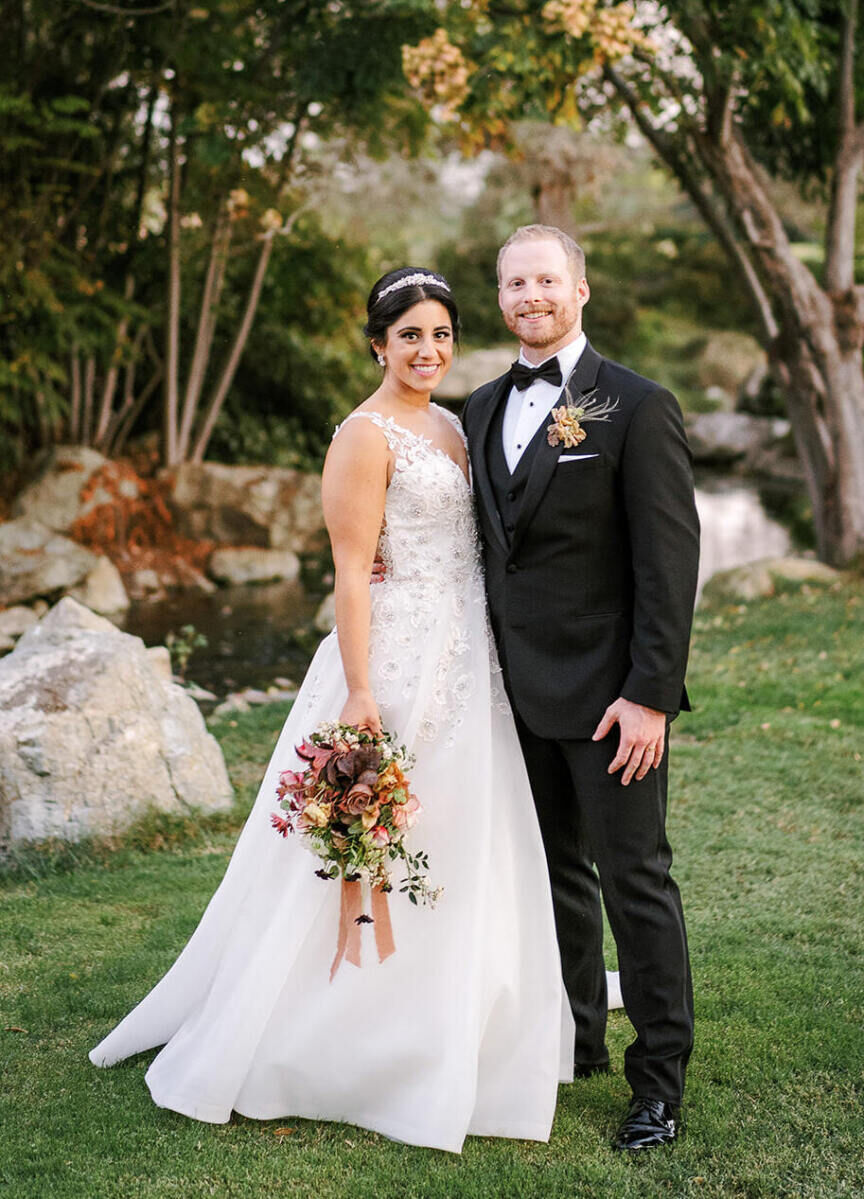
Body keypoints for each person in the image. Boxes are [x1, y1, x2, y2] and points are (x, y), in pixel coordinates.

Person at [89, 268, 572, 1154]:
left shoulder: (458, 426)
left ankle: (459, 1013)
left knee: (464, 829)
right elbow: (353, 569)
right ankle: (335, 1028)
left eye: (442, 335)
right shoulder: (363, 434)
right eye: (410, 336)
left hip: (471, 656)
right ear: (377, 344)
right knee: (371, 840)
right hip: (392, 659)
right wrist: (359, 689)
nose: (428, 351)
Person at [462, 225, 700, 1152]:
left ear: (580, 289)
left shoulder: (637, 407)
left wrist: (650, 693)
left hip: (610, 701)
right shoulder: (481, 405)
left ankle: (660, 1082)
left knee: (636, 880)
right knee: (554, 875)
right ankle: (577, 1040)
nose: (530, 295)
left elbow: (668, 564)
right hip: (511, 697)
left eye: (546, 280)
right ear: (501, 297)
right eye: (514, 282)